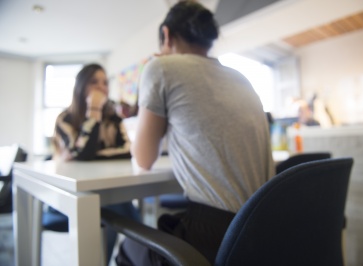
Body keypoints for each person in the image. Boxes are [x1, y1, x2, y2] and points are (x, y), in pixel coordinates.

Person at [116, 1, 275, 265]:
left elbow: (144, 159)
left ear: (166, 35)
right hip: (264, 232)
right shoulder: (240, 77)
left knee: (128, 250)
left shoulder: (161, 68)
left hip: (214, 238)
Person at [52, 63, 140, 264]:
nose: (102, 87)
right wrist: (93, 111)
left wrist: (88, 153)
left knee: (110, 207)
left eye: (105, 82)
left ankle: (139, 250)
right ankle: (147, 247)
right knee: (109, 211)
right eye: (94, 82)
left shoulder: (114, 119)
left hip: (108, 190)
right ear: (81, 87)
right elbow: (83, 154)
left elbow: (127, 151)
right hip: (71, 194)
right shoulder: (65, 119)